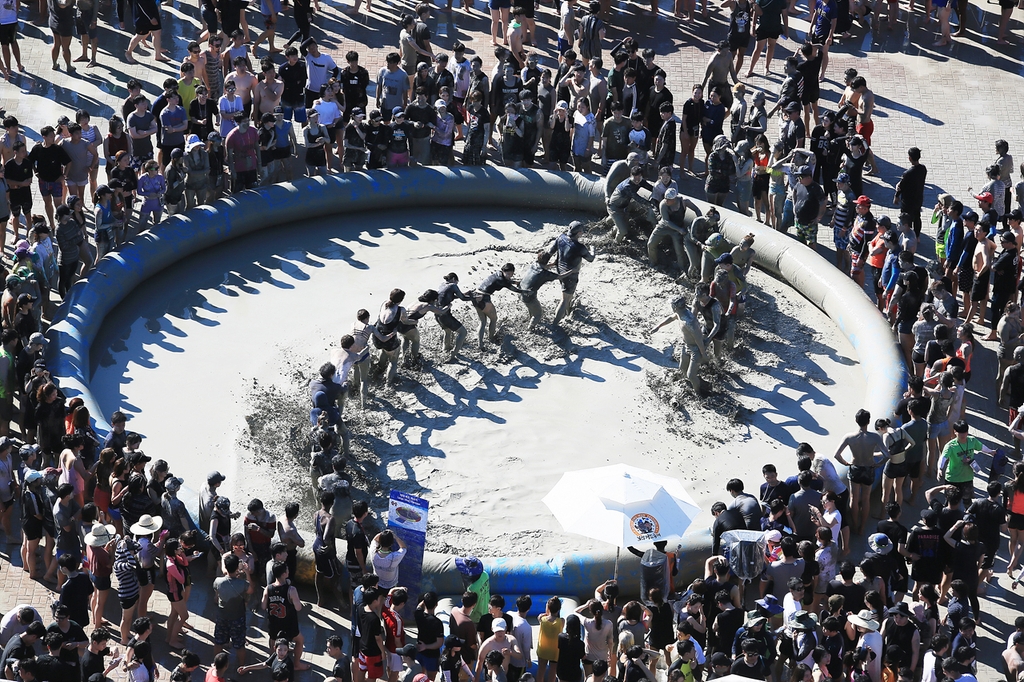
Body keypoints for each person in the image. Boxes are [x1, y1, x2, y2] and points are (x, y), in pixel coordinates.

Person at [834, 409, 889, 535]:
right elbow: (887, 454)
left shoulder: (849, 437)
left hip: (856, 468)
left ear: (856, 421)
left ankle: (854, 524)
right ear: (869, 421)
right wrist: (878, 464)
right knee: (866, 499)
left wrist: (845, 463)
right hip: (869, 468)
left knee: (854, 498)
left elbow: (836, 455)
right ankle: (862, 527)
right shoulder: (874, 437)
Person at [650, 296, 707, 393]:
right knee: (682, 367)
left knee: (691, 375)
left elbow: (699, 339)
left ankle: (699, 392)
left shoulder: (689, 322)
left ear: (674, 307)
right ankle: (695, 382)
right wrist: (658, 327)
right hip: (686, 346)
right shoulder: (680, 313)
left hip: (696, 349)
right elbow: (671, 317)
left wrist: (703, 354)